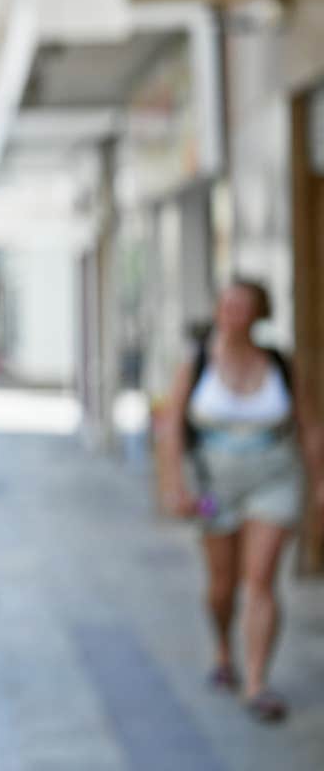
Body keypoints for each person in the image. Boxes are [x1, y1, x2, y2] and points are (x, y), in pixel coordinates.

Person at [157, 278, 324, 724]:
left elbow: (309, 425)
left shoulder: (279, 364)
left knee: (262, 580)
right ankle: (221, 649)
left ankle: (256, 682)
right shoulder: (196, 364)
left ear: (259, 312)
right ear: (217, 310)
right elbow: (171, 426)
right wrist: (174, 486)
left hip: (274, 477)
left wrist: (320, 481)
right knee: (221, 586)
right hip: (214, 482)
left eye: (243, 306)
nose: (233, 313)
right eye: (227, 305)